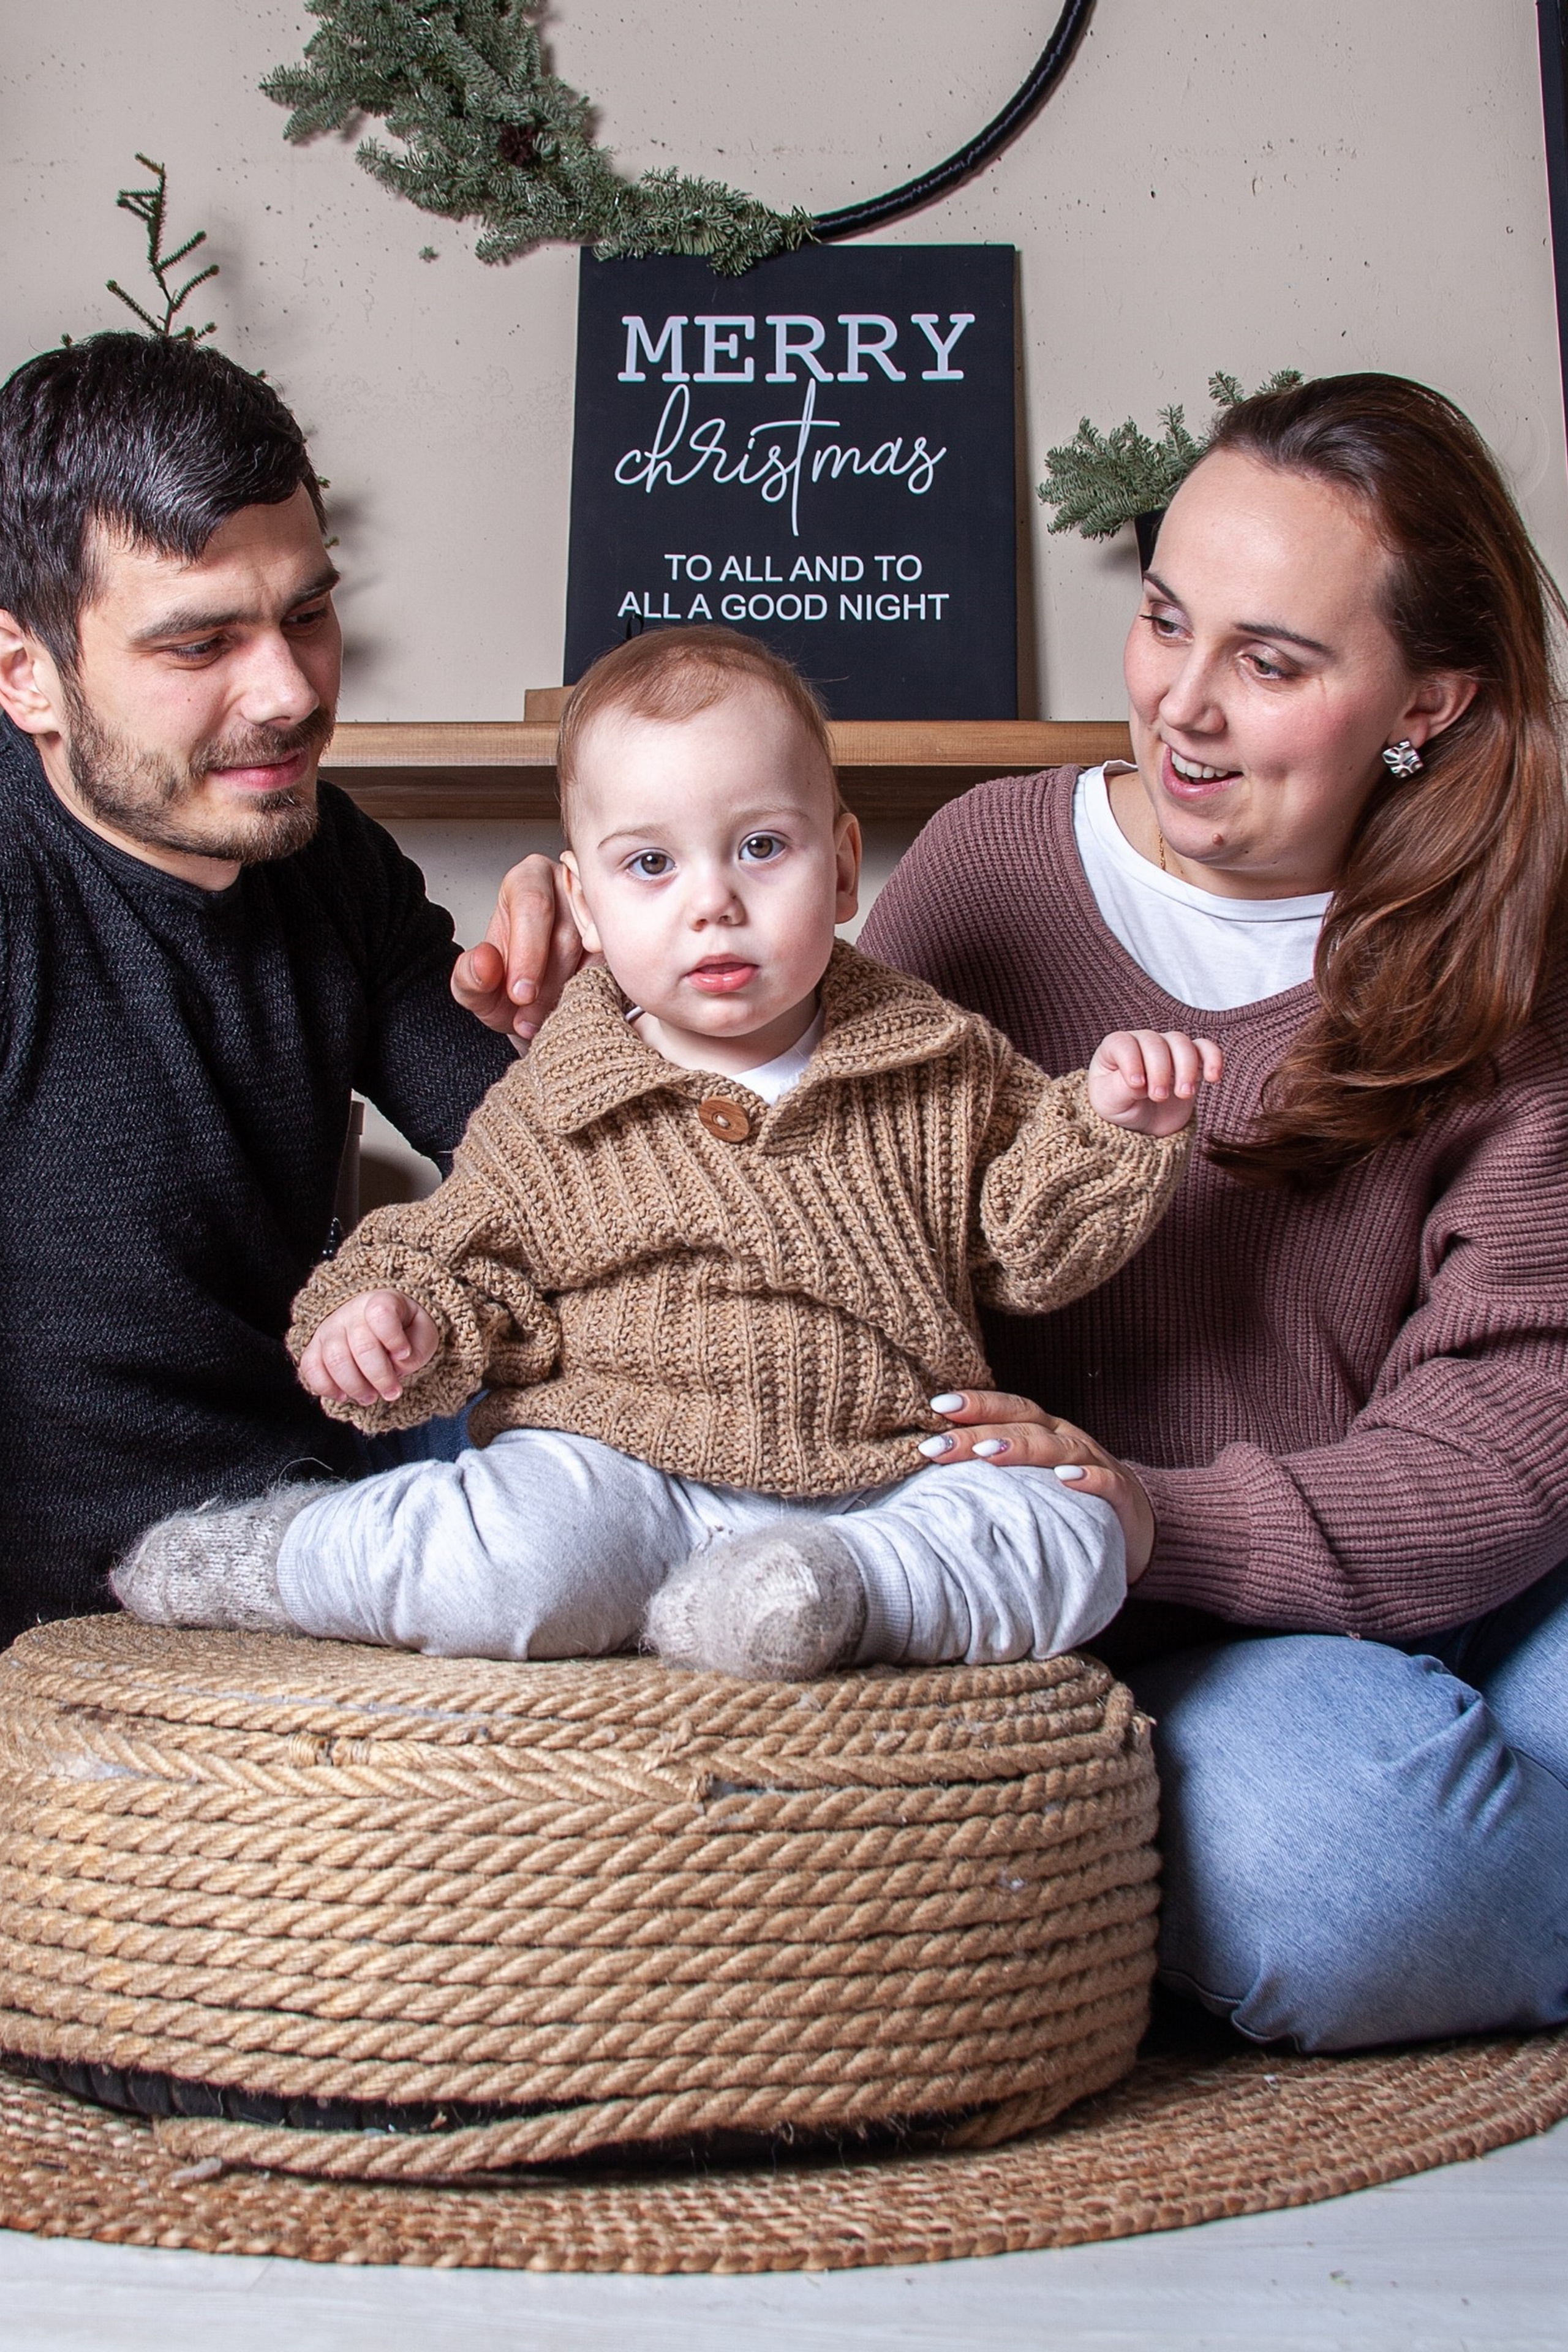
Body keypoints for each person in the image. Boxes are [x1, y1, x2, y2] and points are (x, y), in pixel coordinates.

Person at [460, 374, 1568, 2052]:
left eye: (1271, 664)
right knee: (1349, 1872)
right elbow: (781, 1103)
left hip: (1385, 1558)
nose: (1184, 707)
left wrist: (1157, 1514)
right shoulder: (996, 862)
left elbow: (1505, 1450)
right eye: (1168, 621)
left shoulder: (1510, 978)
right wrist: (598, 922)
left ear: (1429, 698)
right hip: (1106, 1624)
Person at [113, 627, 1221, 1678]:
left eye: (760, 847)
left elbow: (1028, 1255)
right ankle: (284, 1558)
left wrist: (1111, 1131)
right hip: (616, 1466)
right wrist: (392, 1317)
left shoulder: (939, 1060)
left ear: (841, 867)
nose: (714, 904)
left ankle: (831, 1595)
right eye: (651, 864)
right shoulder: (564, 1097)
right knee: (508, 1565)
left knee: (1077, 1530)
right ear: (584, 907)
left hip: (886, 1475)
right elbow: (460, 1250)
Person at [0, 331, 537, 1648]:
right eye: (200, 645)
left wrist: (606, 1009)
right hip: (77, 1618)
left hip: (328, 1518)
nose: (290, 692)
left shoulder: (324, 852)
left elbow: (542, 1171)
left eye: (307, 612)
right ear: (27, 674)